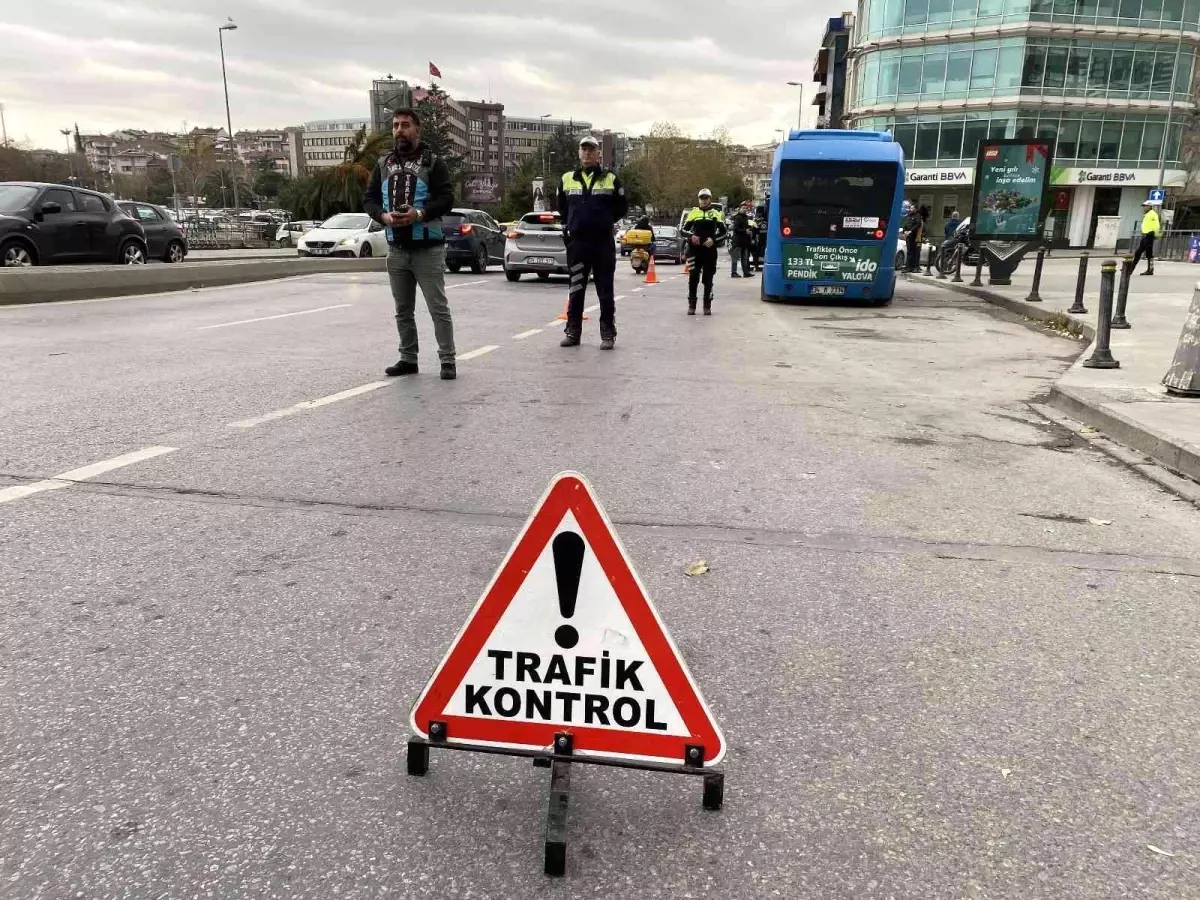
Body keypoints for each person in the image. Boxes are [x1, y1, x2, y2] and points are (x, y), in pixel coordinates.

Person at [363, 107, 457, 380]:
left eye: (405, 125)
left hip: (427, 248)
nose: (399, 130)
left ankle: (447, 359)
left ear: (417, 129)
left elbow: (447, 198)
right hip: (396, 249)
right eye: (395, 125)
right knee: (402, 310)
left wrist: (419, 214)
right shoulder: (383, 164)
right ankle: (408, 357)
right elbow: (369, 199)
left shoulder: (433, 163)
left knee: (438, 308)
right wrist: (382, 216)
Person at [558, 135, 628, 349]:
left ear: (598, 154)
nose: (587, 153)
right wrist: (572, 224)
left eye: (591, 150)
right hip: (578, 243)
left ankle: (608, 333)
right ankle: (573, 332)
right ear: (579, 153)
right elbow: (562, 207)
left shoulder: (610, 178)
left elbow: (621, 206)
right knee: (576, 288)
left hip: (602, 243)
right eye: (584, 149)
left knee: (605, 290)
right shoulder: (567, 178)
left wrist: (605, 221)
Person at [681, 189, 728, 314]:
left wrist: (714, 240)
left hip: (709, 251)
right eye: (702, 198)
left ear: (710, 199)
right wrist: (691, 236)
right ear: (698, 199)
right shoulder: (693, 213)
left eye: (706, 198)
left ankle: (707, 306)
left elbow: (724, 232)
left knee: (708, 279)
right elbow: (682, 231)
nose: (704, 200)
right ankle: (692, 305)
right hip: (694, 251)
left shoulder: (715, 214)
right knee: (693, 277)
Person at [1133, 200, 1162, 275]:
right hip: (1146, 234)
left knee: (1139, 252)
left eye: (1145, 206)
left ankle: (1131, 268)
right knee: (1148, 253)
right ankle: (1150, 269)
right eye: (1144, 206)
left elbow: (1156, 225)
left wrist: (1156, 234)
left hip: (1150, 234)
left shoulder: (1152, 214)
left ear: (1149, 206)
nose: (1144, 207)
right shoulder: (1147, 214)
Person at [729, 205, 754, 278]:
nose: (745, 209)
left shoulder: (746, 217)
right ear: (739, 209)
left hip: (744, 241)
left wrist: (749, 229)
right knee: (735, 258)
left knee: (745, 258)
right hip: (737, 241)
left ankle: (746, 273)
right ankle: (733, 272)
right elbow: (736, 229)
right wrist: (745, 231)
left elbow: (744, 228)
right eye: (743, 208)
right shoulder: (738, 217)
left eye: (746, 208)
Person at [903, 202, 923, 273]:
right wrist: (904, 231)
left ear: (916, 209)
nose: (910, 209)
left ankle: (911, 267)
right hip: (908, 236)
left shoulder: (917, 215)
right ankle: (908, 266)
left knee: (912, 252)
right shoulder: (909, 216)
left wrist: (910, 231)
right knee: (909, 251)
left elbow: (918, 224)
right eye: (910, 208)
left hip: (913, 236)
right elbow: (905, 224)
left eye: (912, 208)